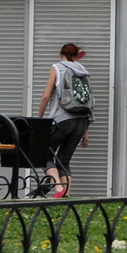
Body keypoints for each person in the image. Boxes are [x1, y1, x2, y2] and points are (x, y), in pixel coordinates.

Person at [34, 43, 94, 198]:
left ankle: (59, 188)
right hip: (81, 121)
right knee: (64, 159)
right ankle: (66, 194)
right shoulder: (84, 72)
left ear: (61, 54)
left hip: (62, 119)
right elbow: (87, 101)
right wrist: (85, 131)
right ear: (75, 56)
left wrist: (39, 119)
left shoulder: (57, 68)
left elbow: (46, 96)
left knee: (44, 155)